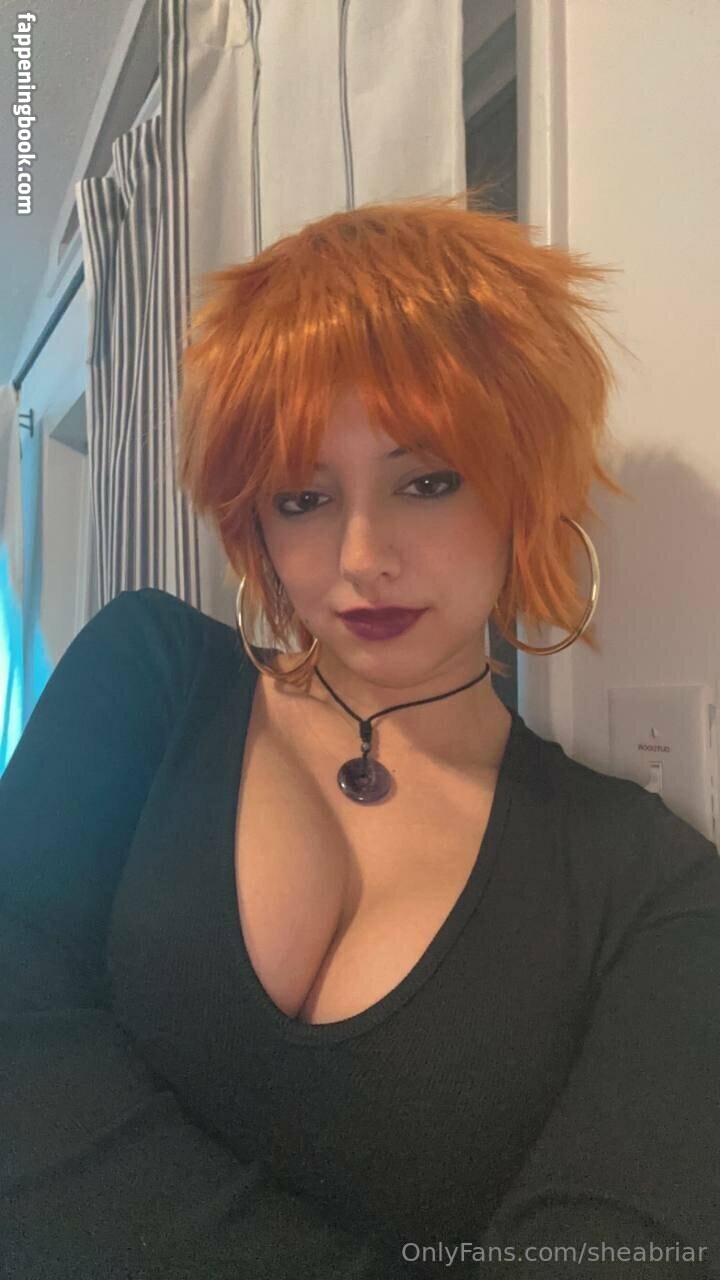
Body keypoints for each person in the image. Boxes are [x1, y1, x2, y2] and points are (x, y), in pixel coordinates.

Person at [2, 190, 719, 1279]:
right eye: (303, 497)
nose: (361, 557)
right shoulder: (151, 677)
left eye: (427, 480)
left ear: (524, 484)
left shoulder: (655, 889)